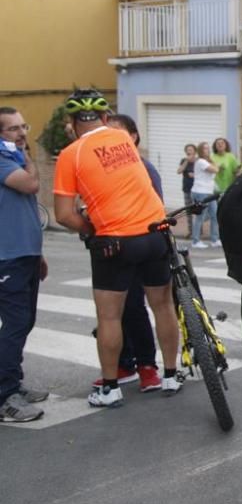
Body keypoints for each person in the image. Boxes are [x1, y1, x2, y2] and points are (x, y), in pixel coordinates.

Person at [52, 89, 181, 408]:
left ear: (70, 123)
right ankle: (170, 374)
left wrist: (91, 229)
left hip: (115, 241)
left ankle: (110, 388)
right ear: (106, 118)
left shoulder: (71, 154)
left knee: (110, 316)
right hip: (155, 232)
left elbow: (64, 215)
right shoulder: (124, 141)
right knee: (162, 306)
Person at [95, 113, 162, 392]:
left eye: (117, 132)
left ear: (132, 136)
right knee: (116, 311)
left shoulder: (142, 167)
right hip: (114, 246)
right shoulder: (102, 168)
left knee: (136, 308)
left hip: (142, 244)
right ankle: (124, 364)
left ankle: (147, 366)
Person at [0, 107, 49, 422]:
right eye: (12, 129)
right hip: (7, 258)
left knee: (24, 322)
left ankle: (12, 383)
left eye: (23, 126)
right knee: (16, 324)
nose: (21, 133)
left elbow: (27, 208)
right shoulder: (5, 160)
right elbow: (31, 186)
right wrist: (28, 157)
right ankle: (5, 397)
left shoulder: (14, 158)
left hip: (25, 255)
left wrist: (38, 254)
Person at [190, 142, 220, 249]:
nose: (207, 150)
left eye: (208, 148)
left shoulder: (207, 161)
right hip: (200, 191)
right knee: (200, 216)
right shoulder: (201, 161)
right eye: (205, 149)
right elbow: (215, 169)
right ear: (200, 150)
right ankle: (195, 240)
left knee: (215, 215)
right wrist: (216, 164)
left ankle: (214, 239)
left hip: (208, 192)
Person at [177, 144, 197, 238]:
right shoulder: (183, 160)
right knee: (189, 211)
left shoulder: (198, 161)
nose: (189, 151)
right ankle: (191, 231)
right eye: (187, 150)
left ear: (195, 151)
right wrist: (186, 161)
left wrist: (195, 175)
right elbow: (179, 171)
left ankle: (198, 230)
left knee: (197, 210)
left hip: (197, 190)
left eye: (191, 150)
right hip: (187, 189)